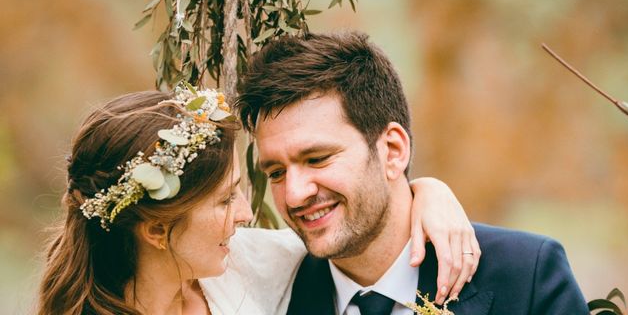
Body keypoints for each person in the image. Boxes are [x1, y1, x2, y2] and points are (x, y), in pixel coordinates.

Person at [224, 31, 590, 315]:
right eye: (275, 172)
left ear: (393, 150)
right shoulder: (272, 293)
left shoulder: (527, 276)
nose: (293, 194)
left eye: (317, 159)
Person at [36, 84, 478, 314]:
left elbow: (357, 232)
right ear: (156, 229)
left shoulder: (254, 265)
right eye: (226, 201)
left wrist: (427, 191)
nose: (248, 214)